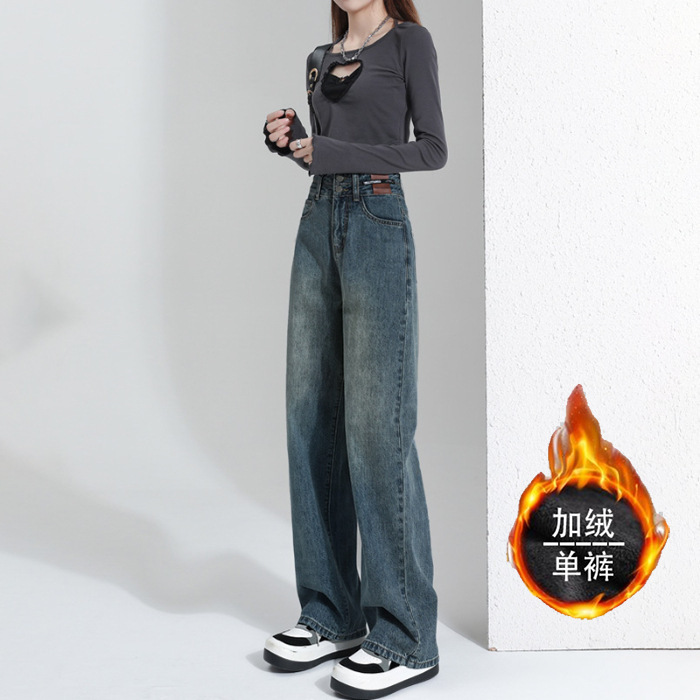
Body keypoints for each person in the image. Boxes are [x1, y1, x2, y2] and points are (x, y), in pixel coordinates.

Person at [261, 1, 447, 697]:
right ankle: (331, 612)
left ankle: (406, 634)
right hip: (318, 222)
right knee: (310, 418)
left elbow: (431, 149)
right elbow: (330, 151)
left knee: (376, 428)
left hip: (376, 218)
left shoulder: (410, 44)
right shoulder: (321, 57)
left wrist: (334, 153)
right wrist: (295, 141)